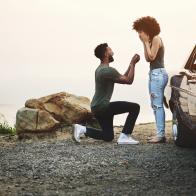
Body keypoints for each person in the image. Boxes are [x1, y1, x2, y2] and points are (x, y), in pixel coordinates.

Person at [72, 43, 140, 144]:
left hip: (96, 107)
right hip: (102, 106)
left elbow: (123, 77)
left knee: (108, 136)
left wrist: (131, 63)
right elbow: (128, 80)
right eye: (110, 50)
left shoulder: (100, 69)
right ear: (105, 53)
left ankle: (82, 129)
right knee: (135, 107)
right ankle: (125, 136)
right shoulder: (107, 71)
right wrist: (134, 64)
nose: (112, 52)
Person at [133, 16, 169, 143]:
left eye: (140, 31)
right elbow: (148, 59)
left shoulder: (156, 39)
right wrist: (144, 43)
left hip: (158, 74)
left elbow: (152, 56)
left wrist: (145, 42)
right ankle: (159, 134)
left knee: (157, 105)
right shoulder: (150, 41)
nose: (138, 34)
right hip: (154, 73)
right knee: (155, 105)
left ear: (146, 29)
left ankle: (160, 135)